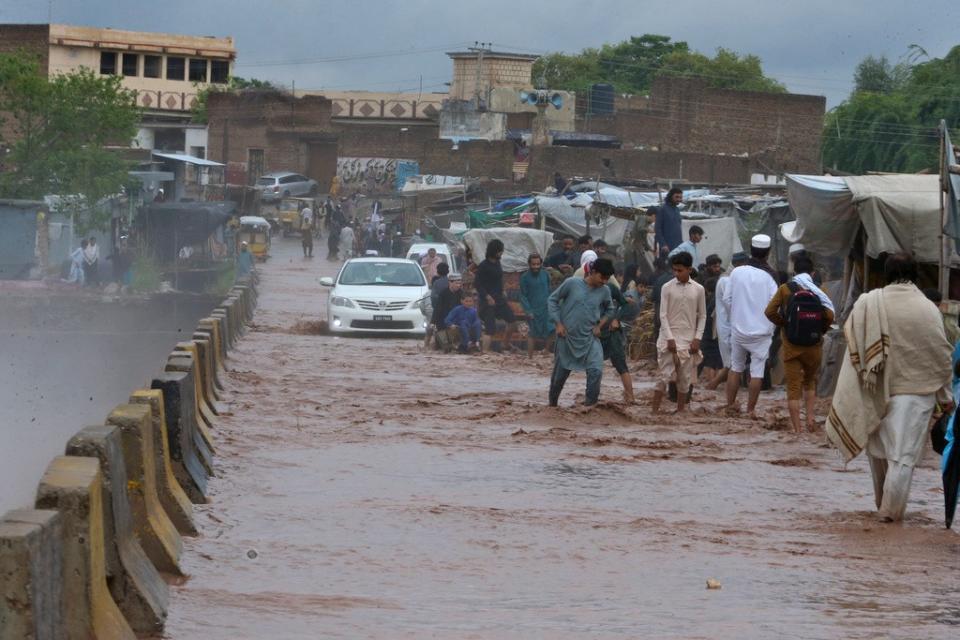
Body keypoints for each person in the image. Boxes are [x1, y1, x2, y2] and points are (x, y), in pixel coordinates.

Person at [827, 252, 953, 522]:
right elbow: (940, 355)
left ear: (886, 273)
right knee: (902, 457)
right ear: (916, 274)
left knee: (878, 453)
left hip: (873, 388)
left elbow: (855, 347)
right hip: (916, 394)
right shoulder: (927, 308)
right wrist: (946, 398)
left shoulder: (869, 302)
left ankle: (881, 507)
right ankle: (890, 516)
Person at [764, 255, 835, 433]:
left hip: (791, 346)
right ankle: (811, 420)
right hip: (814, 345)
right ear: (812, 273)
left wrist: (784, 324)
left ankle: (797, 430)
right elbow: (829, 315)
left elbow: (769, 311)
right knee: (810, 382)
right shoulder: (820, 290)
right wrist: (821, 330)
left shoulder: (785, 289)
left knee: (793, 387)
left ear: (794, 272)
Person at [547, 257, 614, 407]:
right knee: (559, 377)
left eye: (607, 279)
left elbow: (610, 310)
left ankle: (590, 408)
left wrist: (600, 325)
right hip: (567, 337)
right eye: (602, 277)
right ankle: (552, 406)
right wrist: (558, 324)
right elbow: (552, 300)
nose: (604, 281)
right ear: (593, 272)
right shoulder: (572, 283)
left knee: (596, 371)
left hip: (590, 338)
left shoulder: (605, 291)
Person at [723, 235, 779, 416]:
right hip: (762, 333)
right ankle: (750, 411)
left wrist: (737, 316)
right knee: (757, 372)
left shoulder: (737, 272)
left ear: (750, 249)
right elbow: (775, 306)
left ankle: (730, 407)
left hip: (738, 330)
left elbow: (727, 299)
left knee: (736, 367)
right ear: (768, 253)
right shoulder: (771, 277)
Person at [653, 252, 706, 413]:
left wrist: (697, 338)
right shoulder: (667, 287)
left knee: (685, 378)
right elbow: (662, 314)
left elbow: (702, 315)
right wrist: (669, 338)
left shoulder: (699, 289)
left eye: (680, 270)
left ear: (689, 269)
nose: (676, 273)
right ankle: (654, 412)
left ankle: (680, 411)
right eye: (674, 270)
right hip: (668, 337)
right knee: (663, 376)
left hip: (688, 339)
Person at [706, 251, 747, 390]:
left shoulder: (733, 279)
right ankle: (713, 386)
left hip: (733, 327)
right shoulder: (725, 280)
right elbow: (730, 302)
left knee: (732, 364)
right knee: (731, 364)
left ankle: (718, 387)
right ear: (738, 265)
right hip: (728, 328)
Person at [475, 239, 516, 352]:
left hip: (499, 299)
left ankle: (505, 344)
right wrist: (487, 297)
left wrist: (503, 290)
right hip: (488, 301)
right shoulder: (483, 266)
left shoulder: (498, 263)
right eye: (500, 251)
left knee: (512, 321)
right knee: (490, 329)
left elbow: (499, 279)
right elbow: (477, 284)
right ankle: (485, 353)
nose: (501, 253)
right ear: (494, 251)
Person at [601, 277, 636, 404]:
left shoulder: (611, 288)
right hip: (596, 333)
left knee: (621, 365)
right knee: (593, 366)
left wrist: (617, 319)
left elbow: (625, 304)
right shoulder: (586, 290)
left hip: (612, 333)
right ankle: (592, 398)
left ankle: (630, 397)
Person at [519, 253, 554, 357]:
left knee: (552, 329)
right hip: (532, 309)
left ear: (541, 264)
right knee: (532, 333)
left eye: (538, 264)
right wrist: (528, 310)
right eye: (533, 264)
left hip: (546, 308)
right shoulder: (524, 277)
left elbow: (549, 290)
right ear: (529, 264)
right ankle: (530, 357)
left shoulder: (546, 274)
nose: (535, 267)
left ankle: (546, 352)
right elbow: (522, 295)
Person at [699, 277, 723, 384]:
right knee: (718, 361)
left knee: (710, 362)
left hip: (709, 334)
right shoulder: (719, 298)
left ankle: (712, 384)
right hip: (718, 334)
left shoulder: (710, 300)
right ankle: (716, 384)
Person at [434, 275, 464, 353]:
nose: (458, 285)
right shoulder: (443, 294)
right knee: (445, 348)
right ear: (450, 283)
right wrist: (433, 322)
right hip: (443, 321)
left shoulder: (461, 293)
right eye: (456, 283)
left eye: (460, 284)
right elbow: (437, 309)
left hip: (457, 321)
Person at [654, 187, 683, 256]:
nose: (679, 199)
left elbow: (678, 227)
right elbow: (657, 229)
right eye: (676, 197)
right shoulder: (663, 209)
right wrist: (663, 244)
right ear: (670, 196)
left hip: (678, 247)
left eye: (680, 197)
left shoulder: (677, 209)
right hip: (667, 248)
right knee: (667, 266)